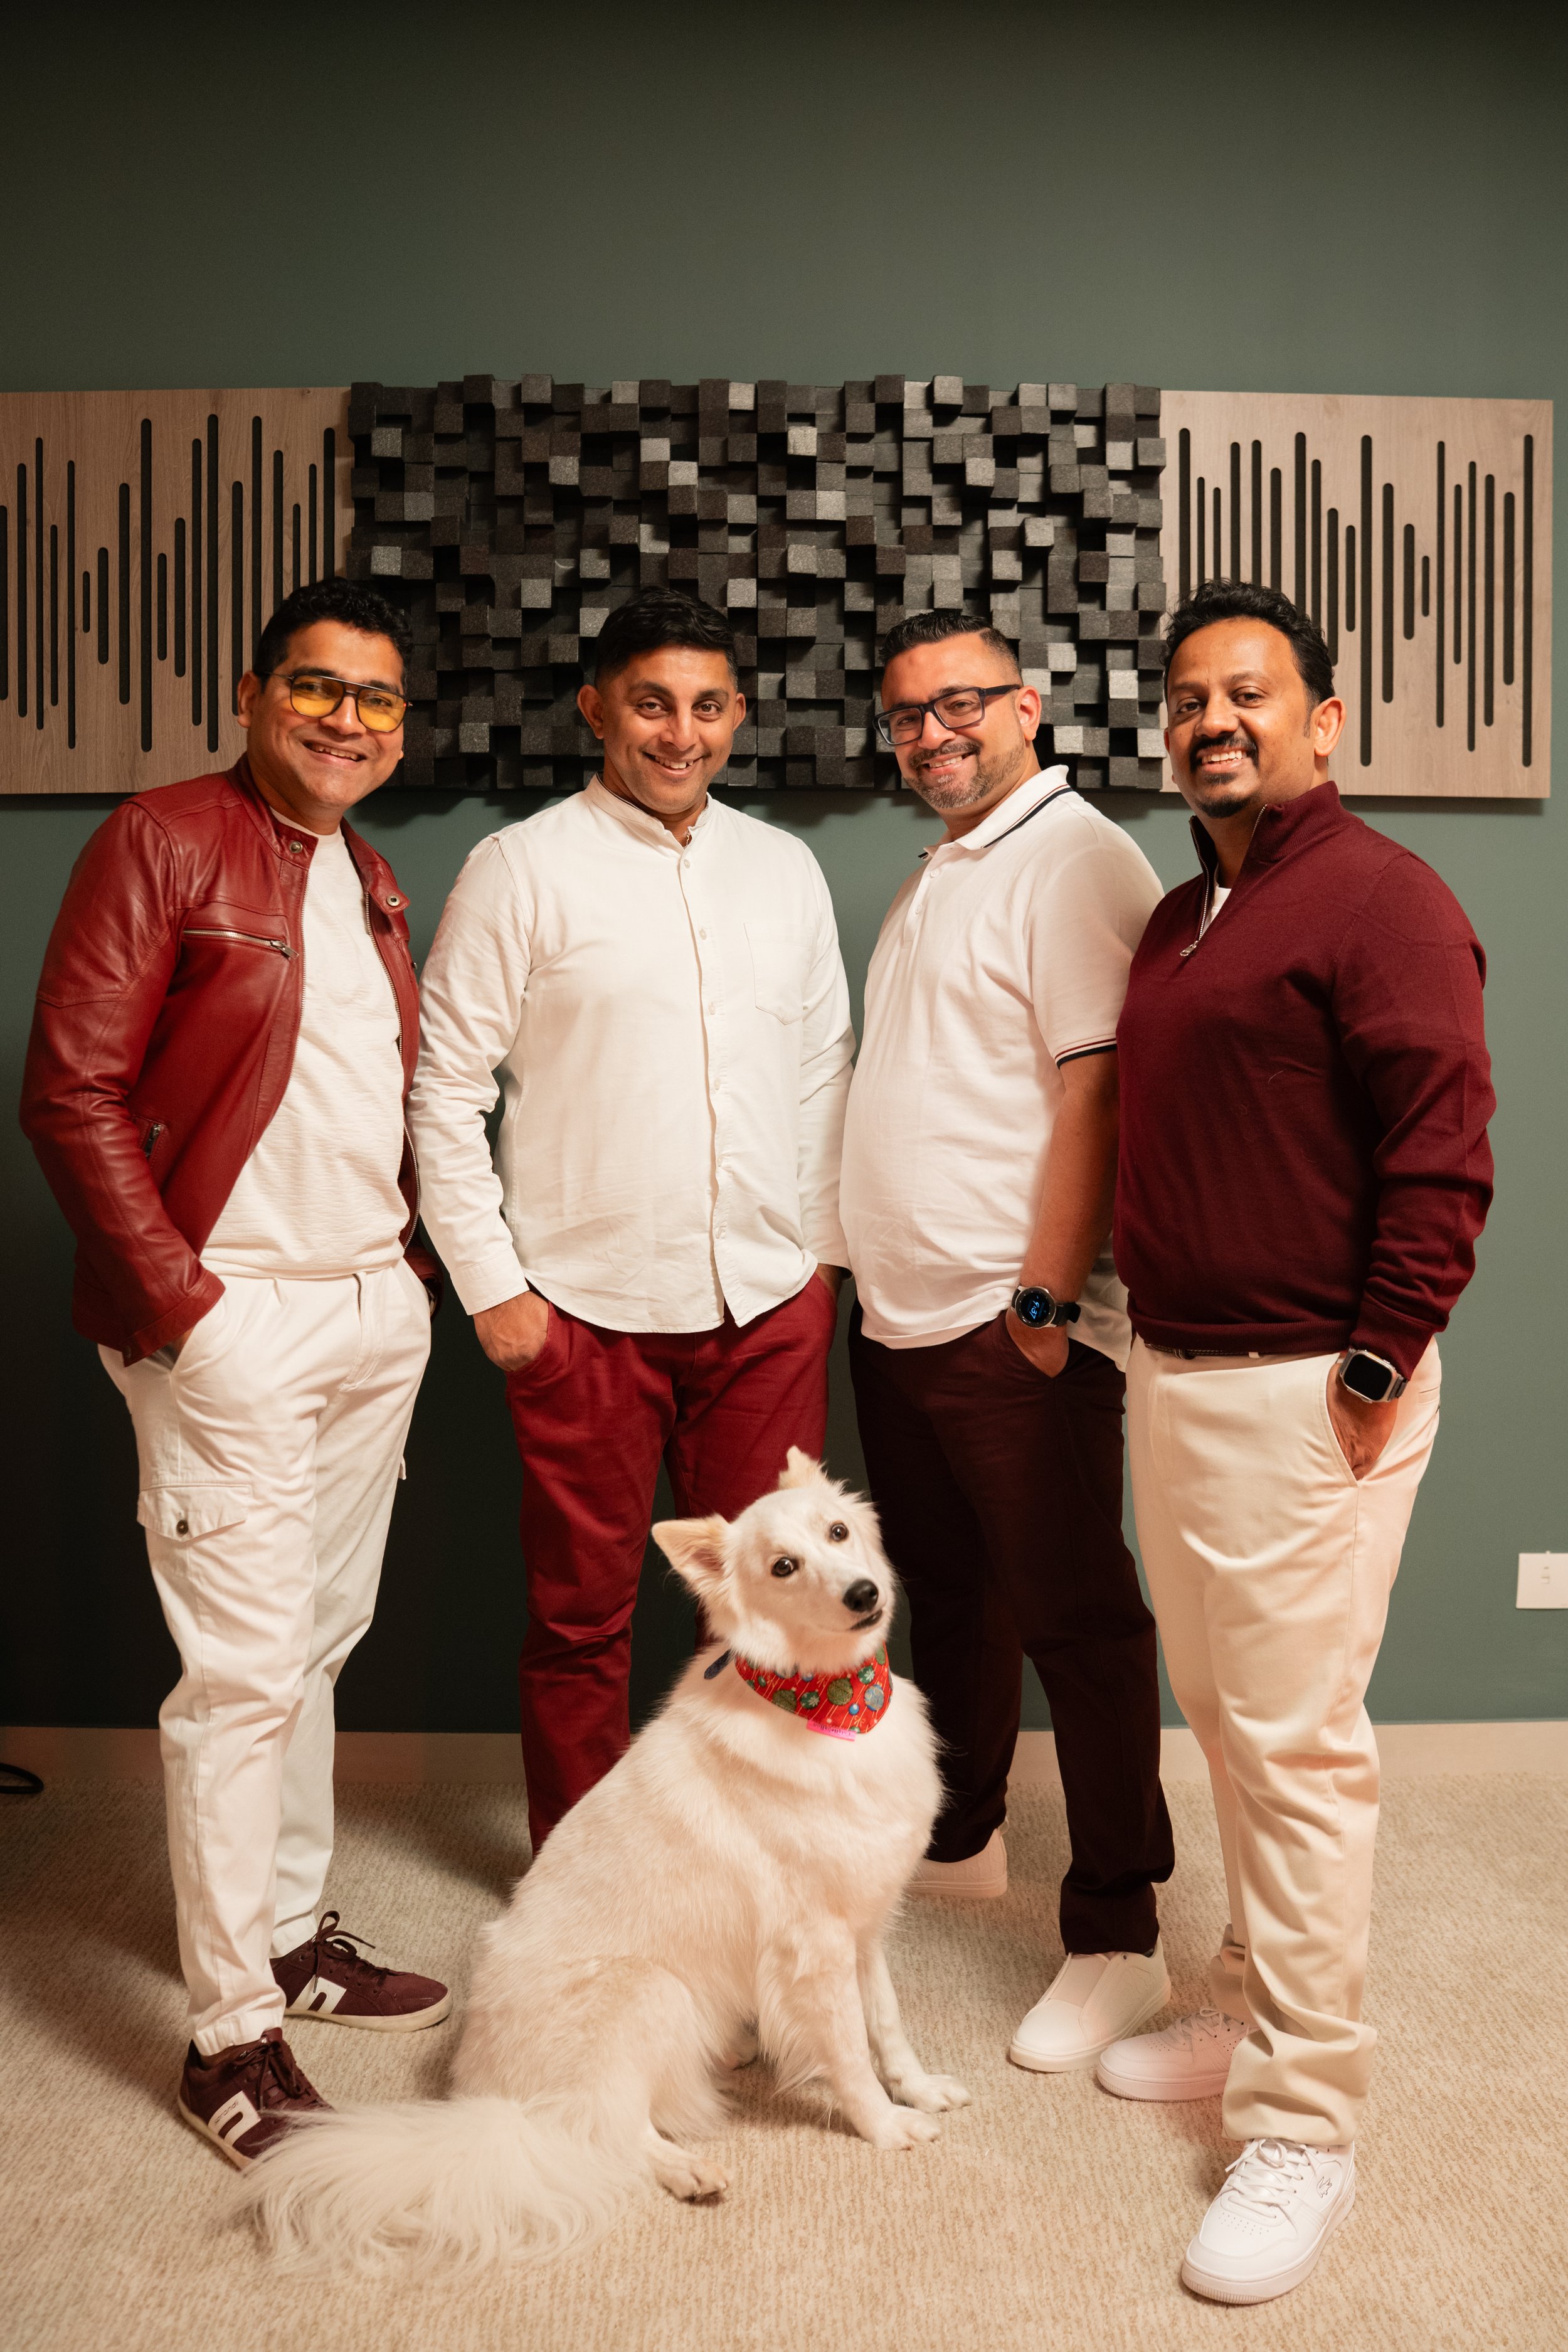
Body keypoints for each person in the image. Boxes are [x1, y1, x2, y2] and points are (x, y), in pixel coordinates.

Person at [21, 579, 448, 2170]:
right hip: (234, 1322)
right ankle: (227, 2043)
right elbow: (70, 1094)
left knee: (315, 1647)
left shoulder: (366, 871)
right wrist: (188, 1311)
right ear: (256, 694)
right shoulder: (162, 837)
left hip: (364, 1310)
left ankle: (284, 1940)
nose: (350, 719)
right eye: (319, 688)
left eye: (380, 700)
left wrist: (396, 1285)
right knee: (239, 1678)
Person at [1101, 578, 1494, 2305]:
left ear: (1321, 721)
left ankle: (1304, 2119)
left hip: (1302, 1389)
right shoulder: (1183, 910)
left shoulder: (1383, 898)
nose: (1213, 718)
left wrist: (1371, 1360)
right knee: (1234, 1727)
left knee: (1294, 1746)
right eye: (1187, 696)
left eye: (1247, 692)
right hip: (1176, 1380)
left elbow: (1441, 1146)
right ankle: (1249, 2003)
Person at [407, 588, 854, 1854]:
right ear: (595, 706)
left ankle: (768, 1874)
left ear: (739, 716)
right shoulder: (520, 869)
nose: (680, 732)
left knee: (781, 1616)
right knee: (579, 1619)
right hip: (578, 1313)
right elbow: (441, 1088)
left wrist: (819, 1261)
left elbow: (825, 1069)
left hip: (765, 1308)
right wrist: (493, 1289)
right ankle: (583, 1883)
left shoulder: (784, 871)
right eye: (651, 703)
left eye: (708, 706)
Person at [839, 608, 1175, 2074]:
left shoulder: (1073, 855)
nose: (931, 734)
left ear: (1027, 707)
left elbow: (1095, 1088)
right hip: (900, 1315)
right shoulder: (943, 867)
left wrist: (1042, 1301)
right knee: (946, 1601)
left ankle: (1117, 1935)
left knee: (1076, 1626)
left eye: (959, 704)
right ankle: (963, 1832)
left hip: (1006, 1322)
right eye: (906, 714)